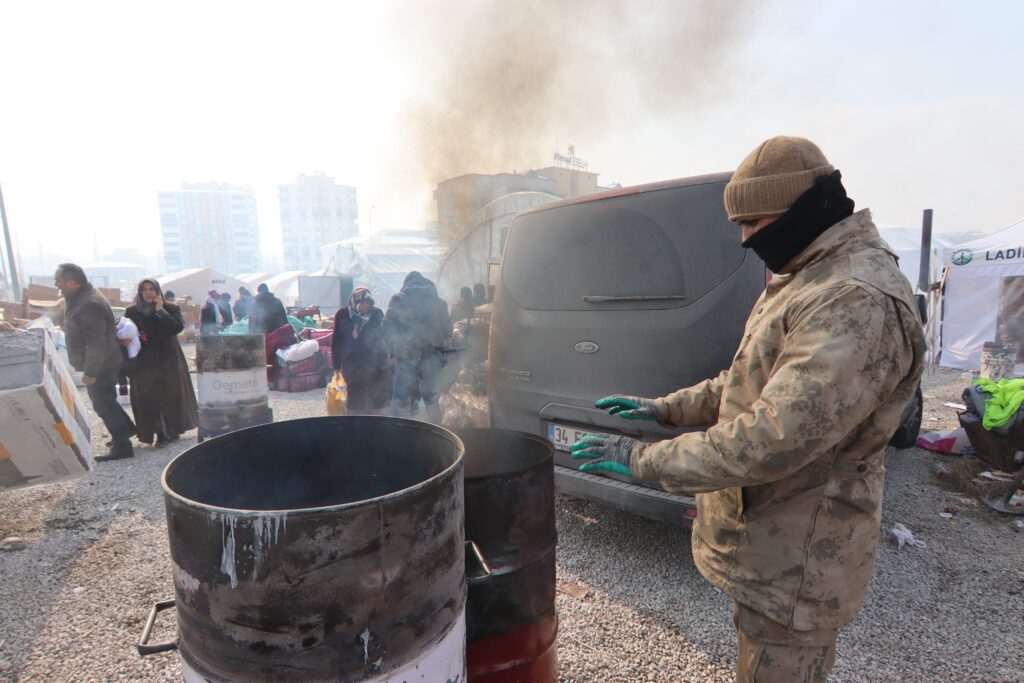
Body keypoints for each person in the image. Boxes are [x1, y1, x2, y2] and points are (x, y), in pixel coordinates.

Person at [571, 137, 926, 682]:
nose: (744, 239)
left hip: (797, 566)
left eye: (753, 223)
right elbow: (748, 381)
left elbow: (775, 435)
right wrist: (665, 410)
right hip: (768, 550)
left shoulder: (855, 298)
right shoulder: (807, 275)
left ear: (799, 210)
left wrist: (644, 460)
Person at [55, 263, 137, 461]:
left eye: (59, 281)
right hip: (103, 362)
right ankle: (125, 430)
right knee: (106, 399)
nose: (57, 285)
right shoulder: (81, 298)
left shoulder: (88, 304)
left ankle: (122, 446)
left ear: (72, 282)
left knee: (103, 403)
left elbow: (95, 343)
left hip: (102, 364)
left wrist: (90, 373)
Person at [125, 279, 199, 445]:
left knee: (169, 397)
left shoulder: (170, 308)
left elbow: (176, 327)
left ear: (158, 291)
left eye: (152, 289)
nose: (148, 293)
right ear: (140, 292)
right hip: (144, 362)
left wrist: (160, 312)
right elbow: (127, 332)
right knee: (148, 398)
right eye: (144, 289)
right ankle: (157, 432)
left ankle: (171, 431)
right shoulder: (132, 311)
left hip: (168, 361)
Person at [383, 271, 452, 422]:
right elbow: (448, 331)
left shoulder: (398, 299)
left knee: (400, 400)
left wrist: (394, 351)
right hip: (431, 358)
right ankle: (435, 433)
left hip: (405, 356)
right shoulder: (439, 303)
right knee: (431, 398)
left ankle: (392, 434)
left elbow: (386, 328)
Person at [332, 287, 390, 414]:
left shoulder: (377, 314)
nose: (365, 306)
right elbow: (336, 341)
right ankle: (356, 425)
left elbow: (386, 336)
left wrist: (392, 356)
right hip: (352, 364)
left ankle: (380, 426)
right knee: (355, 399)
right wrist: (336, 365)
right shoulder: (342, 315)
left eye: (368, 303)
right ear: (354, 302)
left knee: (378, 398)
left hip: (376, 363)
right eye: (362, 303)